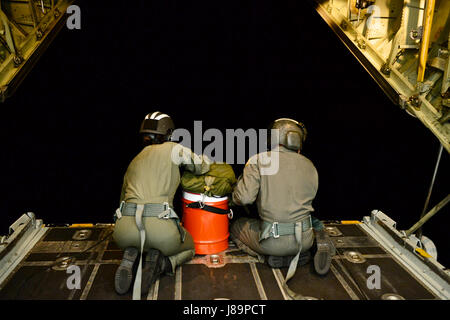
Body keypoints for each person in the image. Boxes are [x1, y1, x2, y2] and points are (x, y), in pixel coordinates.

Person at [113, 111, 210, 299]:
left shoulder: (135, 160)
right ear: (169, 132)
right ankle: (162, 263)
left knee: (138, 237)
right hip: (160, 229)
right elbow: (200, 166)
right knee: (191, 248)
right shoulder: (173, 149)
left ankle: (133, 252)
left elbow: (121, 200)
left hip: (124, 230)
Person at [230, 118, 335, 282]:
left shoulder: (259, 160)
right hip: (303, 240)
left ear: (272, 138)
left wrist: (235, 193)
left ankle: (265, 257)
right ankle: (303, 250)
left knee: (236, 226)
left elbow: (243, 198)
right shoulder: (310, 165)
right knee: (310, 222)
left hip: (271, 242)